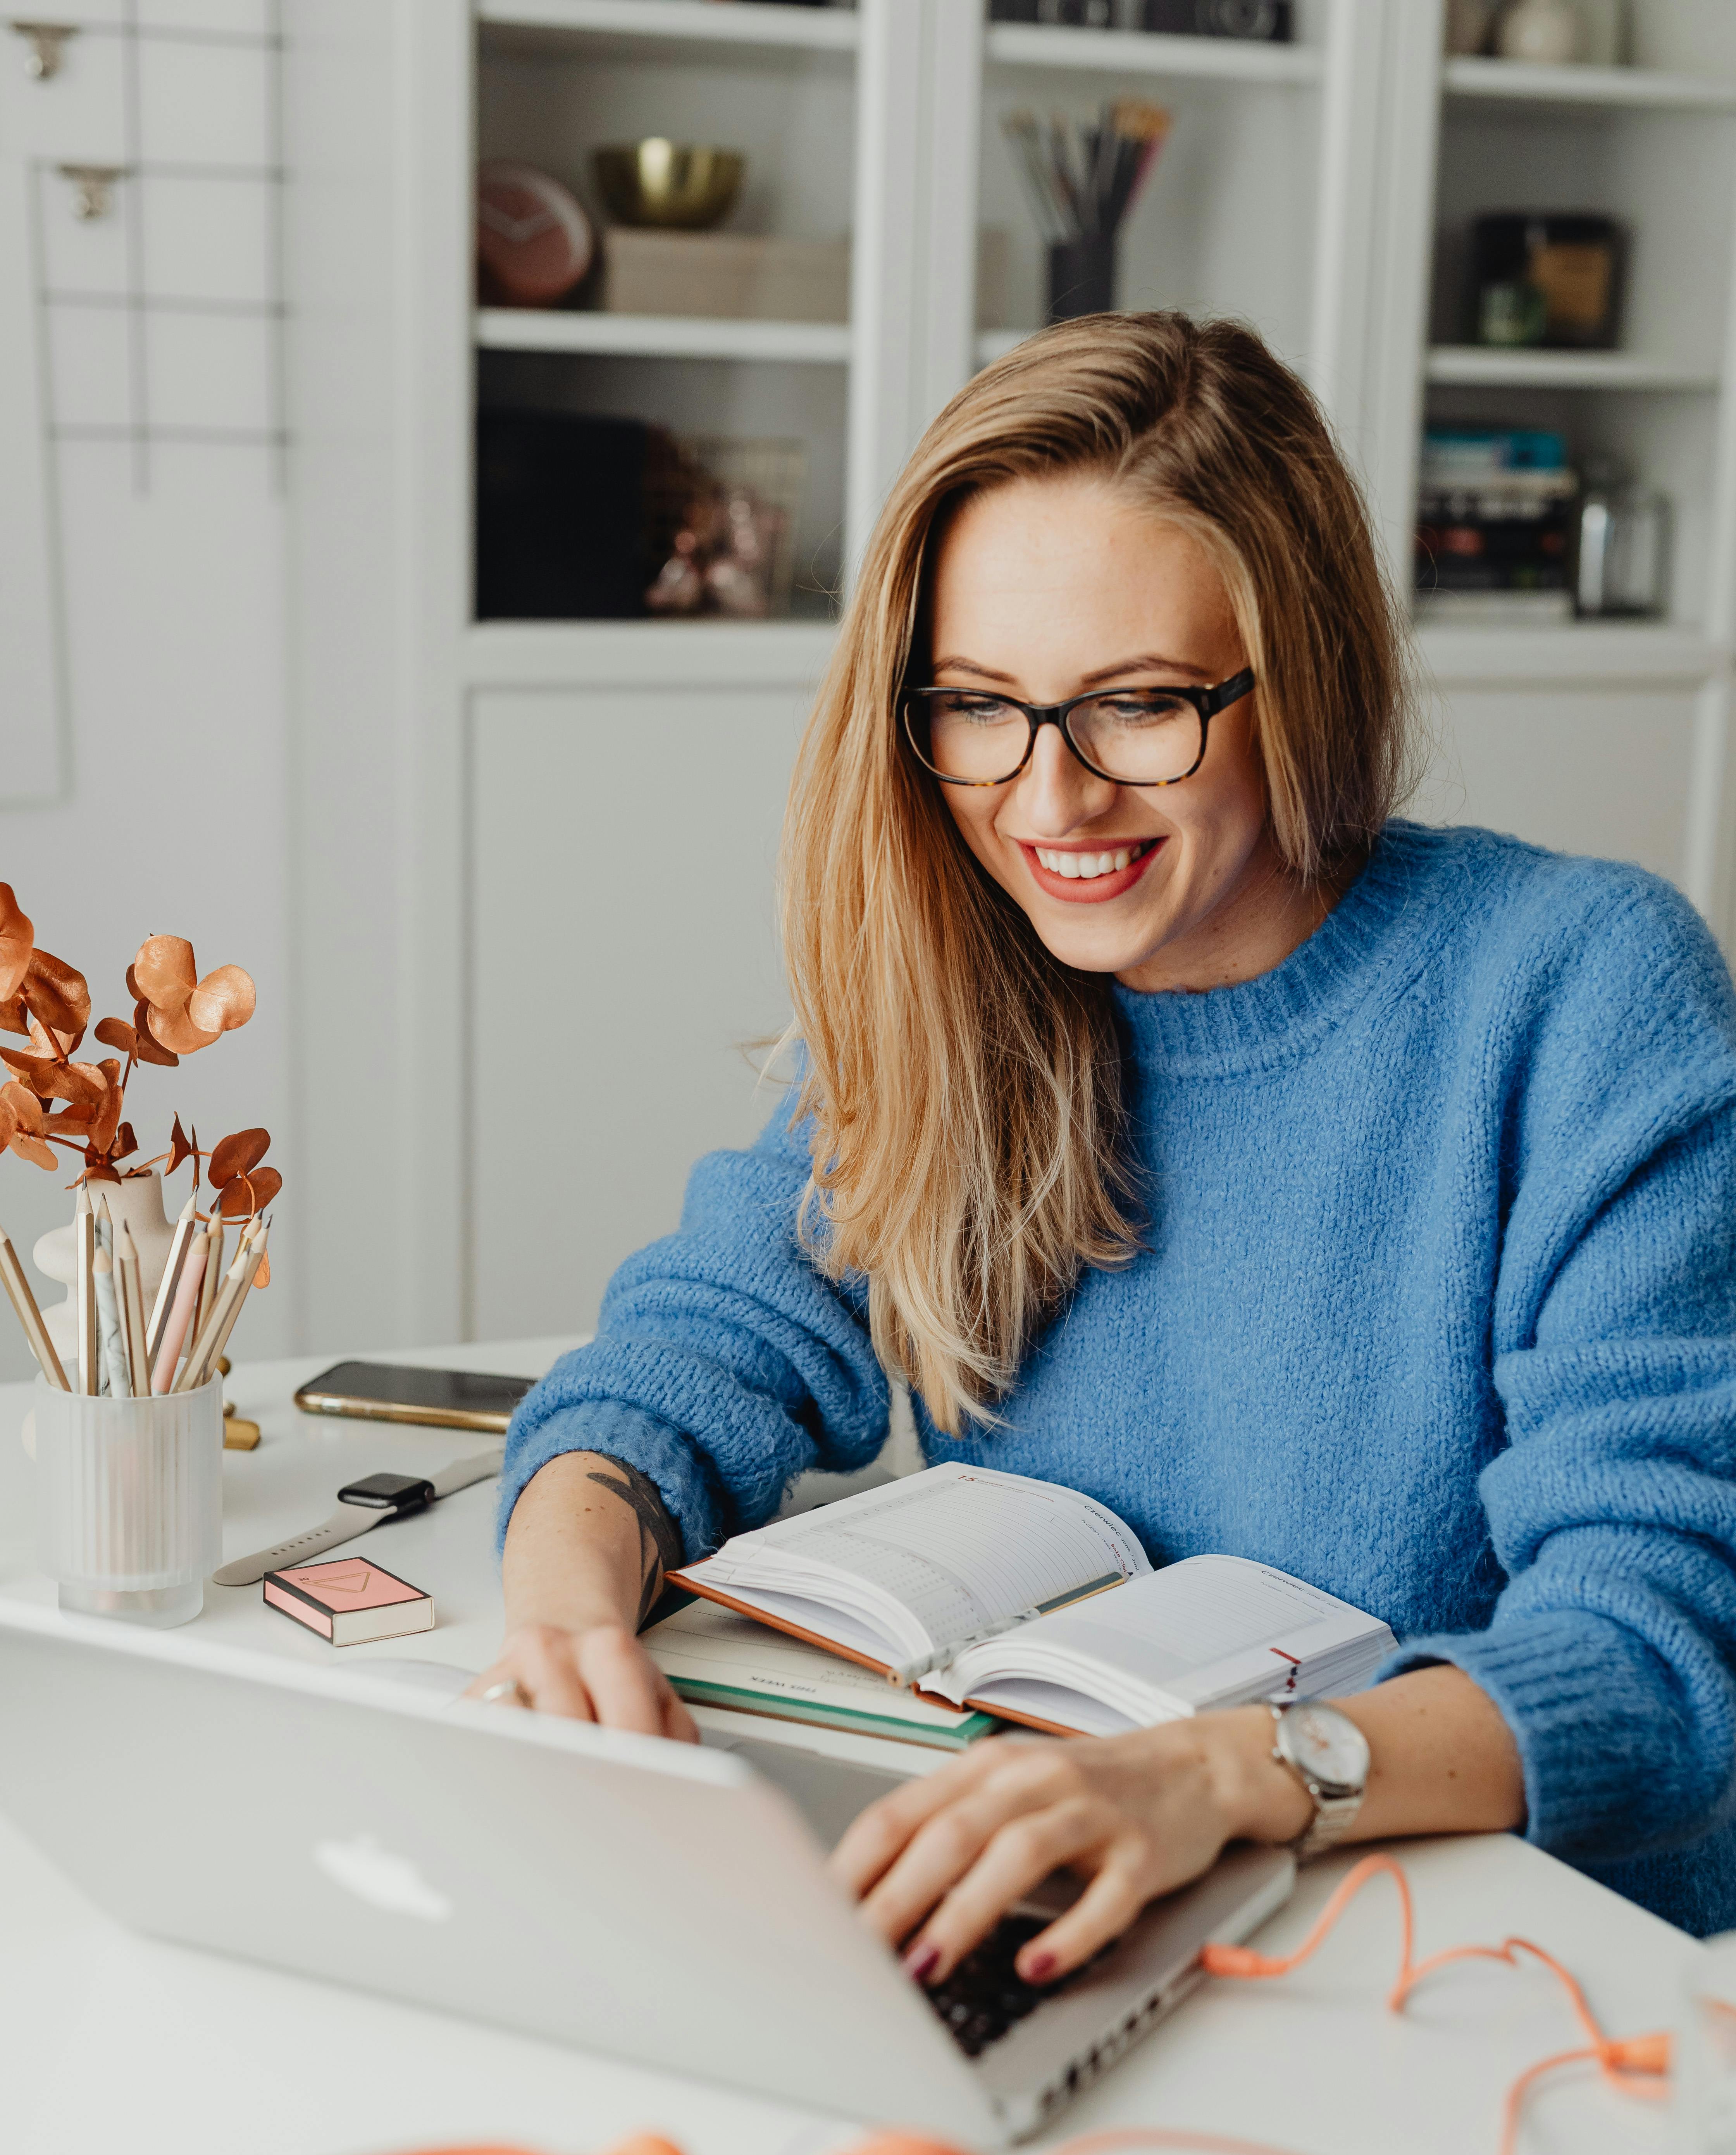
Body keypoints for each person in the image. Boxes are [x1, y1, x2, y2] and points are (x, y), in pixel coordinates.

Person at [470, 311, 1736, 1977]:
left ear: (1307, 673)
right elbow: (691, 1355)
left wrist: (1223, 1777)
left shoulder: (1578, 990)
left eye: (1138, 707)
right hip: (1072, 1894)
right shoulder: (956, 976)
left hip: (1492, 1957)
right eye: (979, 707)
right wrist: (567, 1599)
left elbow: (1660, 1651)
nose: (1049, 804)